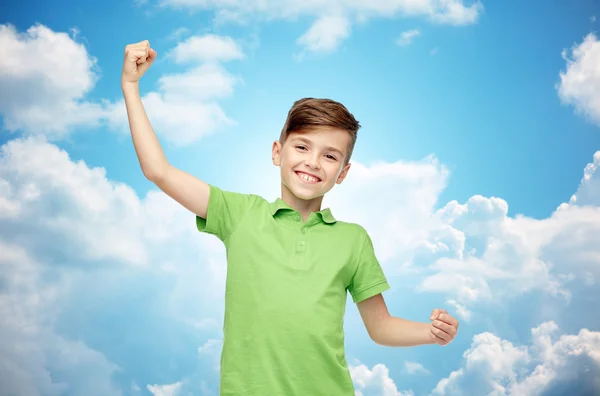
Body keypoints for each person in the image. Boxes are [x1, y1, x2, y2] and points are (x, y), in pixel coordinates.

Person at [121, 40, 460, 395]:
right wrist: (131, 87)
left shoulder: (353, 240)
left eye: (330, 156)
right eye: (302, 147)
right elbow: (158, 171)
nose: (313, 162)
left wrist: (431, 333)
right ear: (277, 152)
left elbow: (380, 327)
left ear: (342, 173)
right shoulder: (240, 214)